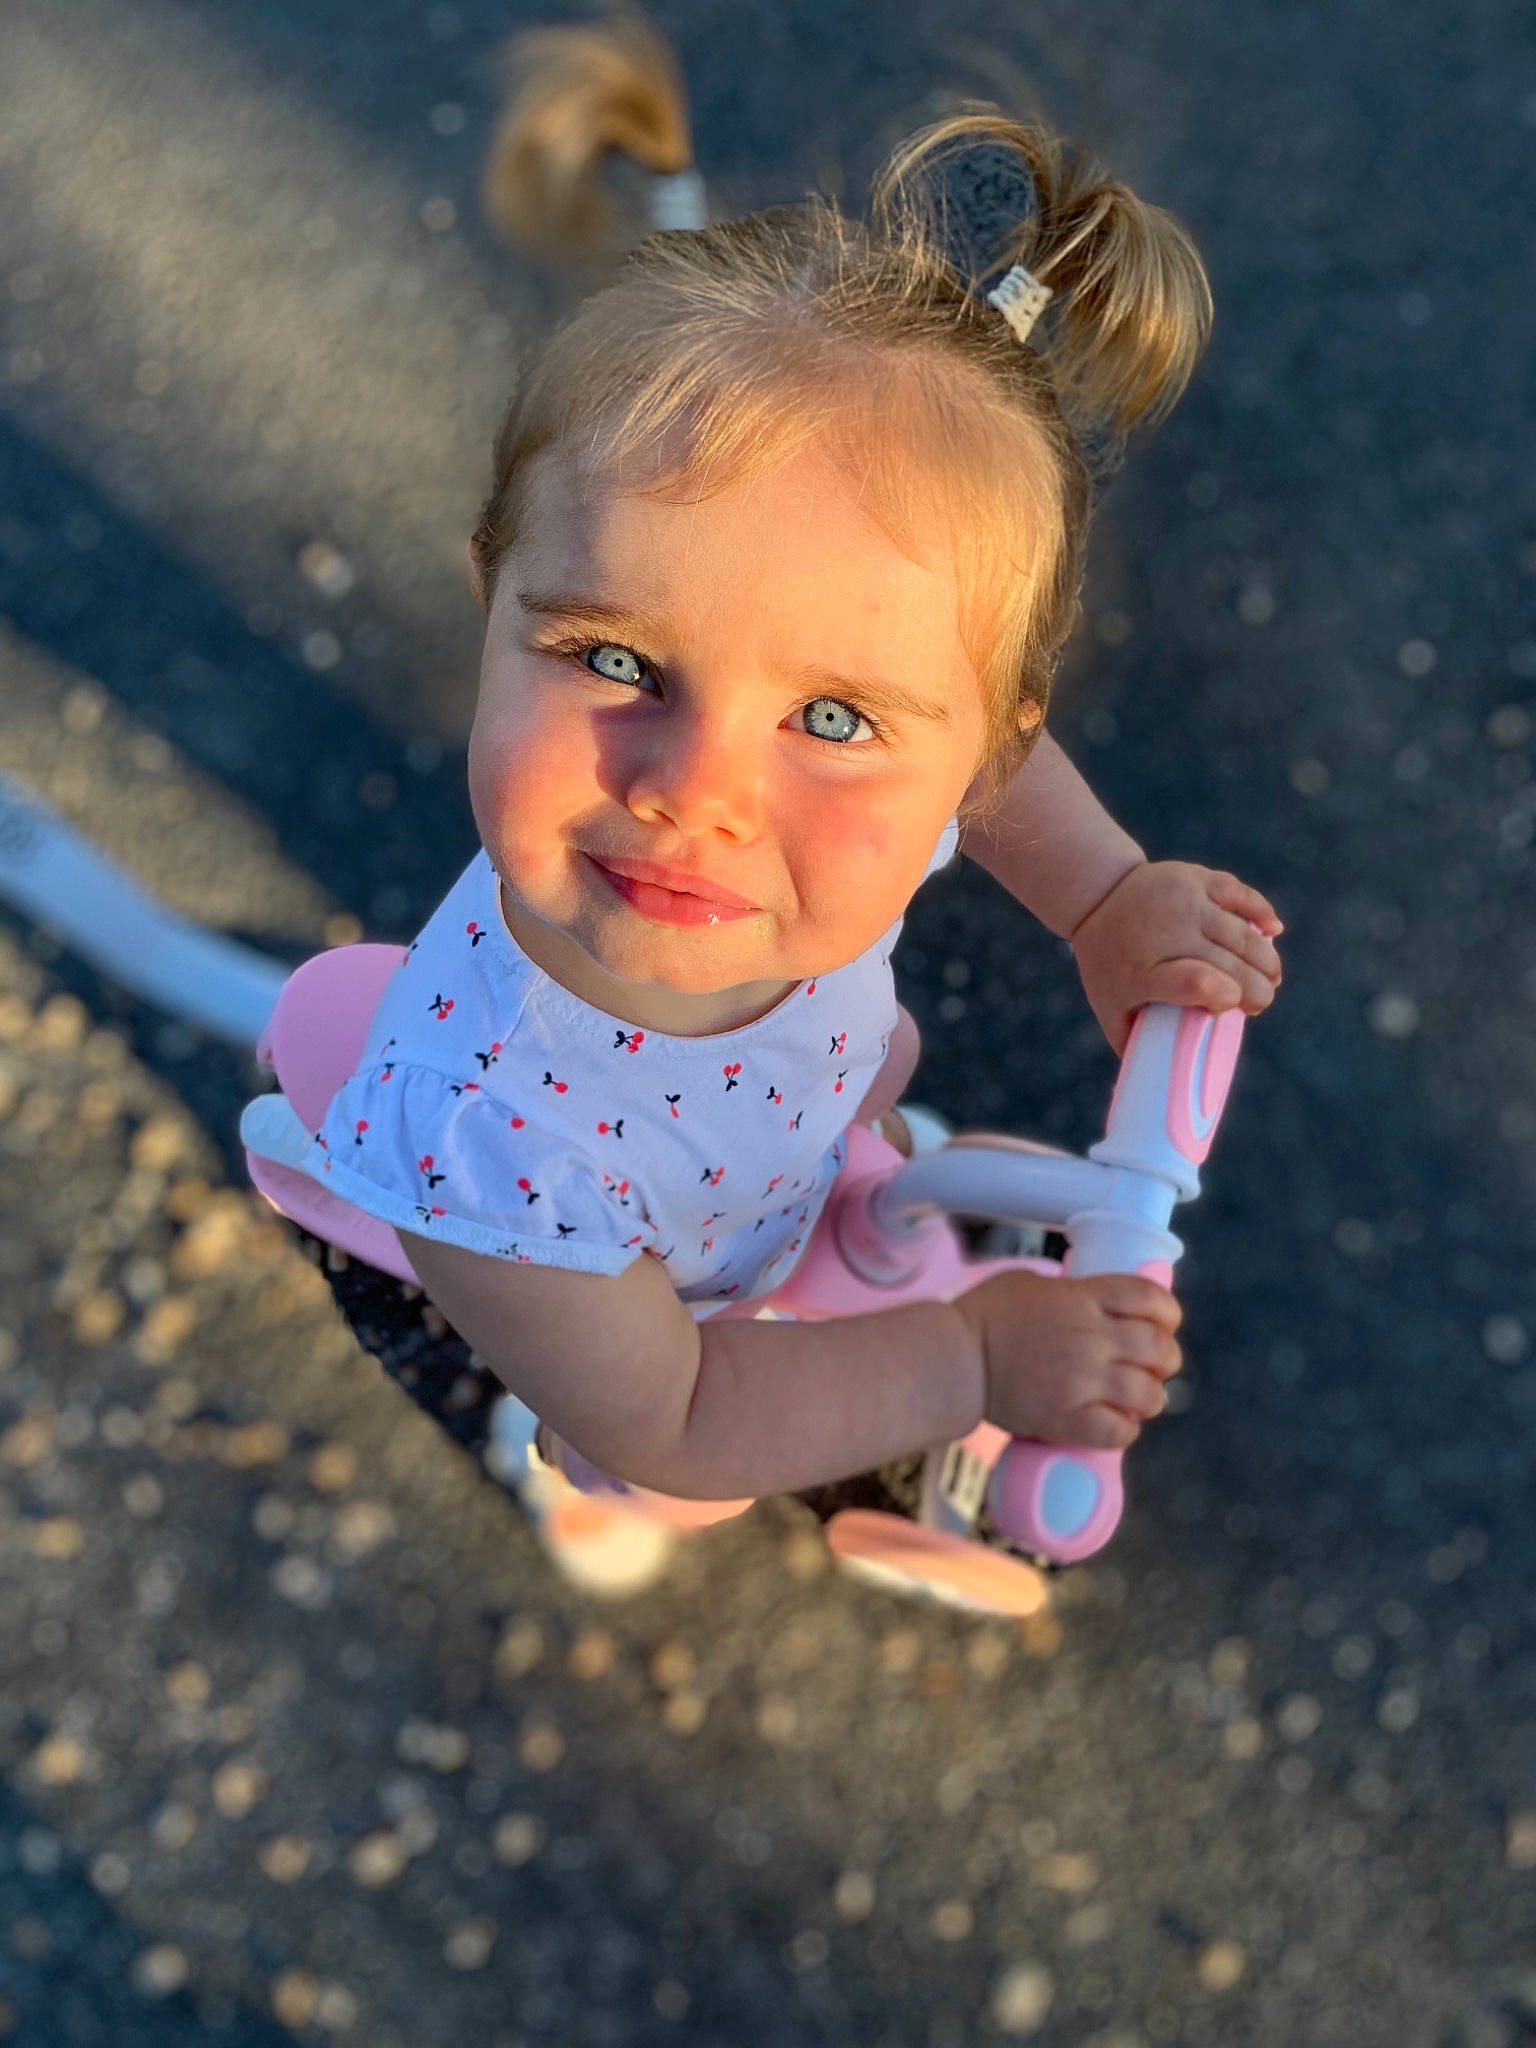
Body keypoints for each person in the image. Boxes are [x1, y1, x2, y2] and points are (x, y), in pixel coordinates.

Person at [261, 12, 1283, 1579]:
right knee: (639, 1477)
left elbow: (991, 774)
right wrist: (972, 1365)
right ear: (492, 600)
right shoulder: (485, 1138)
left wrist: (1100, 895)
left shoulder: (898, 768)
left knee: (878, 1060)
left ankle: (822, 1147)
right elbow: (682, 1406)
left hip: (770, 1129)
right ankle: (549, 1485)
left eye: (828, 714)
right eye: (616, 660)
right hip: (609, 1319)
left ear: (970, 744)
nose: (699, 794)